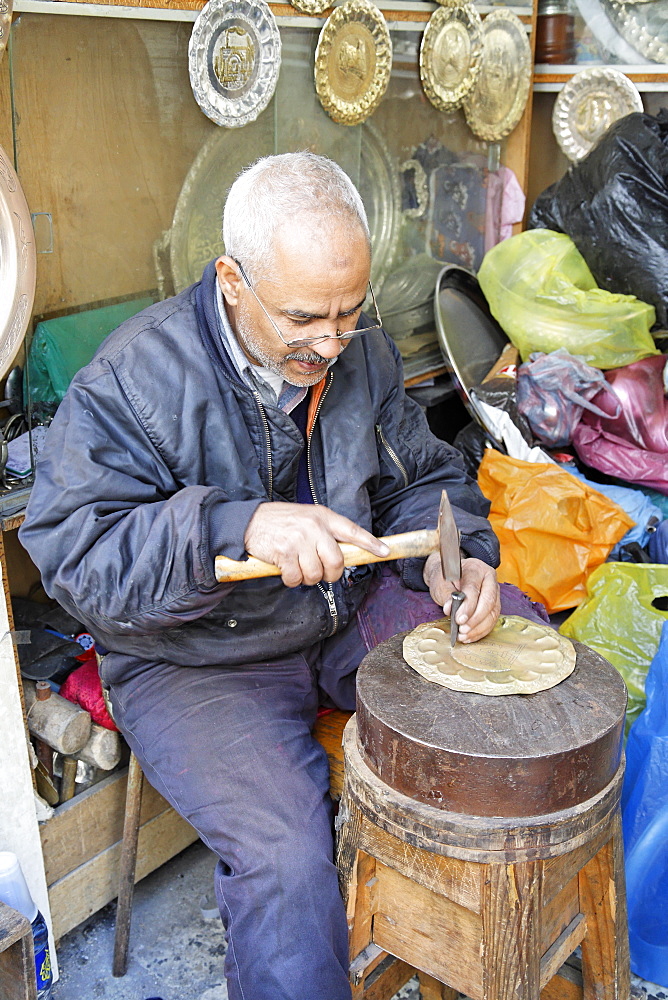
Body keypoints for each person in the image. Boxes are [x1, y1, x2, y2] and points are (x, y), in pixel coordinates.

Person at [20, 152, 548, 1000]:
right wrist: (235, 524)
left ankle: (478, 943)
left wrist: (465, 562)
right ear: (232, 281)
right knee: (287, 861)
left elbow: (423, 478)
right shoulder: (132, 381)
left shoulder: (358, 350)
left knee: (525, 669)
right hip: (197, 659)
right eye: (306, 317)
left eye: (349, 312)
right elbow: (75, 554)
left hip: (343, 609)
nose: (333, 341)